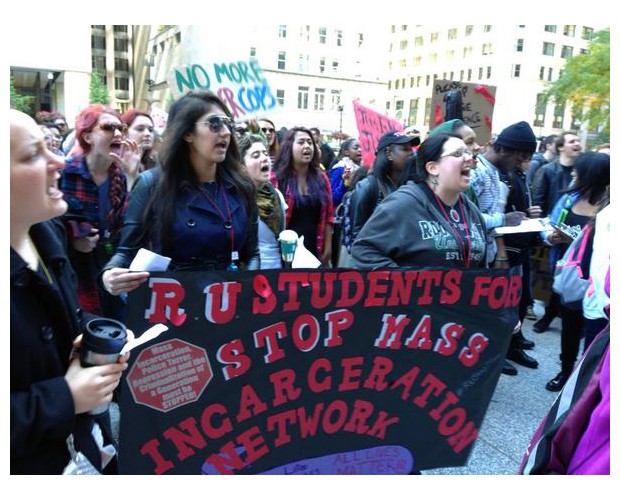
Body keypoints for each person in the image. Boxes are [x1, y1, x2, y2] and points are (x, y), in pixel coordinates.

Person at [10, 109, 128, 474]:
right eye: (32, 155)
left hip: (84, 451)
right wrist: (67, 397)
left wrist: (102, 335)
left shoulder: (46, 235)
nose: (59, 160)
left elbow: (65, 316)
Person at [101, 91, 259, 297]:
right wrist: (109, 275)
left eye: (227, 124)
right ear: (187, 133)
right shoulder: (151, 184)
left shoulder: (242, 186)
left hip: (229, 308)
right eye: (214, 124)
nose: (226, 132)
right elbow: (127, 251)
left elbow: (252, 253)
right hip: (173, 307)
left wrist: (245, 289)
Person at [352, 133, 487, 269]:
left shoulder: (472, 210)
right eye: (458, 154)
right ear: (433, 168)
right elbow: (364, 250)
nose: (470, 158)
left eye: (468, 152)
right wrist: (406, 283)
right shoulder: (402, 204)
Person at [58, 104, 142, 321]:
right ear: (87, 137)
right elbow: (49, 225)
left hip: (113, 266)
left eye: (120, 128)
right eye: (107, 127)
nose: (117, 134)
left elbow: (130, 226)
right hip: (78, 271)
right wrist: (73, 240)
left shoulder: (122, 175)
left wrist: (132, 177)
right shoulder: (64, 173)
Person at [469, 121, 538, 376]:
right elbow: (465, 219)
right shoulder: (476, 173)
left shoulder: (499, 176)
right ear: (505, 151)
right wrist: (503, 220)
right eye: (521, 158)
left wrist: (500, 253)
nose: (521, 164)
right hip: (472, 261)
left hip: (490, 257)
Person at [540, 152, 609, 391]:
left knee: (592, 334)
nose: (572, 173)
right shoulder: (570, 199)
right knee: (569, 329)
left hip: (597, 283)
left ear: (591, 175)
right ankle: (565, 371)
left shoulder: (609, 208)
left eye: (577, 171)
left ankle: (584, 381)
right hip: (571, 277)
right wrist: (551, 236)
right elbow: (552, 224)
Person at [531, 131, 582, 333]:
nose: (577, 144)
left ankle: (557, 310)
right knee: (549, 275)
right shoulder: (547, 170)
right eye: (572, 141)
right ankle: (546, 311)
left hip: (569, 233)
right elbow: (539, 201)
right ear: (560, 147)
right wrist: (544, 231)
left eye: (578, 141)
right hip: (551, 231)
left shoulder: (581, 174)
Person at [274, 126, 334, 267]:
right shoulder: (278, 179)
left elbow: (329, 216)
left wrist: (328, 247)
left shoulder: (322, 178)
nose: (307, 146)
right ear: (289, 147)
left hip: (314, 249)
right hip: (285, 252)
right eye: (301, 142)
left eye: (310, 142)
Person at [351, 131, 416, 242]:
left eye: (411, 149)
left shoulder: (412, 186)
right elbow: (357, 234)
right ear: (389, 153)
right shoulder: (367, 187)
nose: (412, 153)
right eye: (405, 149)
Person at [238, 133, 287, 269]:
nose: (264, 158)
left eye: (265, 153)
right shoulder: (236, 198)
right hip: (248, 277)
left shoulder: (276, 195)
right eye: (256, 155)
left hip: (276, 275)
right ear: (242, 166)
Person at [120, 108, 159, 173]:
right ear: (124, 132)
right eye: (140, 129)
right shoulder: (113, 165)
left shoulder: (155, 164)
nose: (147, 134)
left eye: (151, 130)